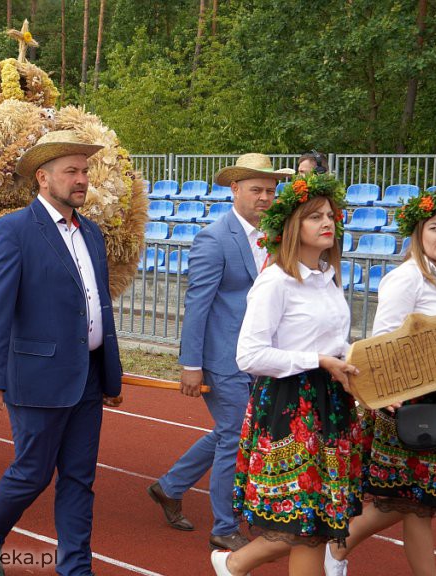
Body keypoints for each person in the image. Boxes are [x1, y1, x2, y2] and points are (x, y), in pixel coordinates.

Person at [0, 131, 123, 576]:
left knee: (79, 479)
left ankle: (75, 569)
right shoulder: (14, 230)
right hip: (36, 376)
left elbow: (97, 305)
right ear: (43, 178)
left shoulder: (91, 233)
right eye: (71, 171)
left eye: (85, 171)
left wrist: (110, 374)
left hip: (89, 376)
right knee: (33, 473)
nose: (82, 179)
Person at [324, 189, 436, 576]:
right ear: (419, 233)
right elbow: (383, 345)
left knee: (416, 503)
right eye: (435, 228)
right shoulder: (406, 278)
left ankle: (336, 550)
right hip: (412, 400)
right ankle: (335, 548)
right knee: (412, 502)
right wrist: (385, 396)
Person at [212, 172, 363, 576]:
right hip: (289, 407)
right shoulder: (275, 281)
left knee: (313, 525)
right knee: (301, 523)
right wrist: (317, 360)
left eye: (330, 215)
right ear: (293, 226)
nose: (328, 223)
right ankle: (235, 563)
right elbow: (250, 355)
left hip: (330, 404)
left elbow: (333, 343)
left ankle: (234, 565)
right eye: (315, 217)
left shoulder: (329, 280)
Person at [148, 154, 290, 552]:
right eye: (256, 190)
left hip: (263, 356)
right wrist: (191, 365)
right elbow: (198, 304)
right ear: (235, 190)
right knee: (236, 435)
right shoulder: (214, 237)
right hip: (223, 358)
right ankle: (225, 525)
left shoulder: (277, 236)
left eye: (269, 190)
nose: (264, 197)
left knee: (236, 431)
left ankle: (170, 486)